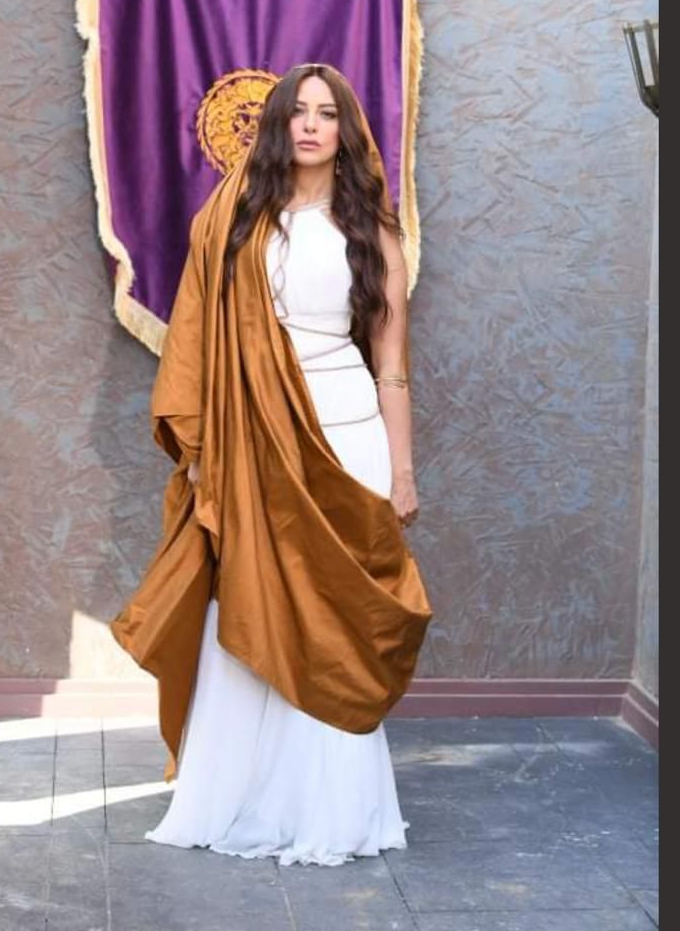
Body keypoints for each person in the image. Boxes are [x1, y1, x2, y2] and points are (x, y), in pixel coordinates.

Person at [118, 62, 432, 867]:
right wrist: (202, 449)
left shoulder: (375, 235)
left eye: (327, 113)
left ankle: (329, 811)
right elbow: (200, 339)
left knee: (336, 621)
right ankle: (234, 799)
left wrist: (402, 471)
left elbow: (392, 369)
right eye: (299, 111)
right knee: (248, 609)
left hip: (347, 440)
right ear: (278, 124)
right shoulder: (236, 219)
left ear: (347, 132)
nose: (311, 125)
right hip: (252, 440)